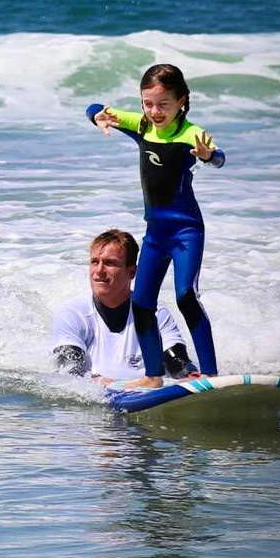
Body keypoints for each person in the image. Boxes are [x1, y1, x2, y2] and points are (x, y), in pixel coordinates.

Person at [86, 64, 224, 388]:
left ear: (182, 101)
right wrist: (97, 117)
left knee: (186, 295)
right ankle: (152, 376)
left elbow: (219, 157)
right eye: (148, 103)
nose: (155, 111)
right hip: (155, 235)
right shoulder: (142, 126)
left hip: (186, 231)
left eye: (163, 104)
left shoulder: (191, 133)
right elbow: (94, 108)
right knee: (142, 303)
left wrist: (208, 156)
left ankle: (210, 373)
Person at [52, 229, 199, 382]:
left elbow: (178, 362)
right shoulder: (71, 314)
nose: (99, 270)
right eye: (94, 262)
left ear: (132, 272)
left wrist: (190, 375)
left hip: (144, 389)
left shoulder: (156, 313)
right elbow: (70, 373)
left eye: (109, 263)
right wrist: (100, 382)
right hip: (100, 392)